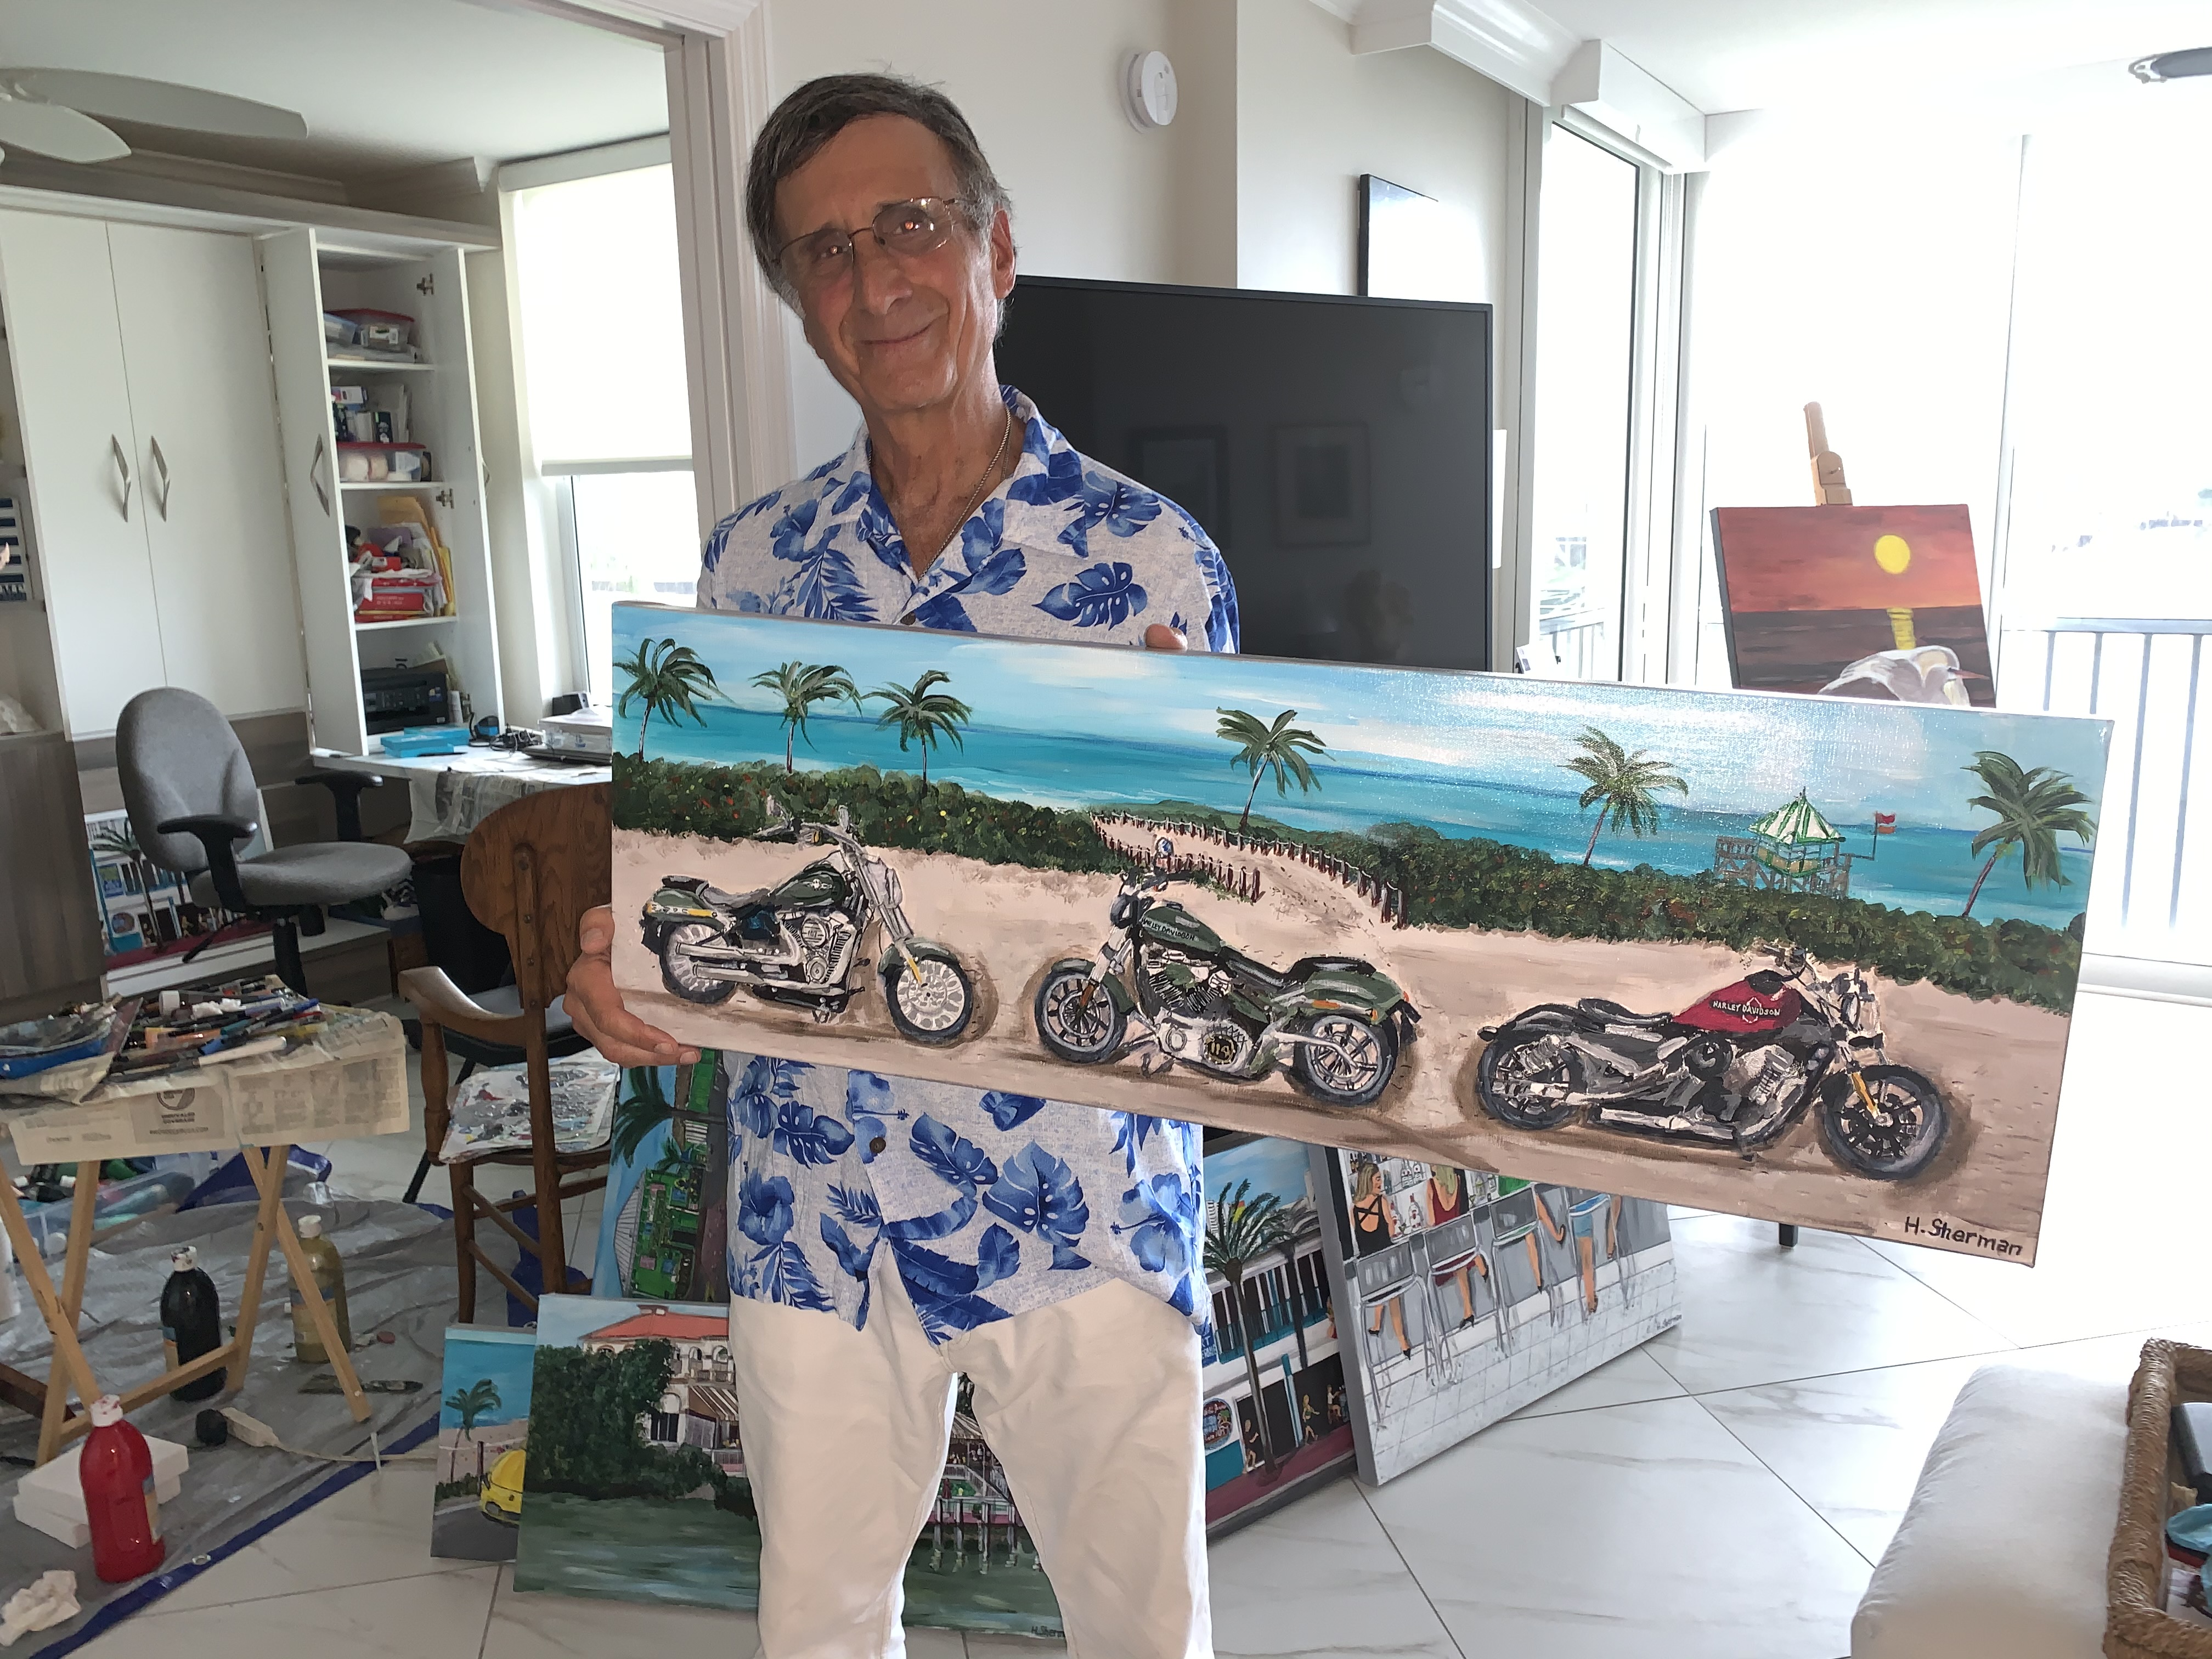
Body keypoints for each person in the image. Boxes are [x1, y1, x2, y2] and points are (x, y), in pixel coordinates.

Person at [564, 73, 1238, 1659]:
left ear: (995, 248)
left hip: (1077, 1203)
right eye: (826, 251)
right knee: (817, 1625)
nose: (874, 281)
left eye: (910, 226)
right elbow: (717, 856)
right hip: (812, 1202)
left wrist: (1198, 834)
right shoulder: (749, 568)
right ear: (800, 303)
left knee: (1143, 1632)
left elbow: (1215, 899)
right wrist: (629, 961)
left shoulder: (1153, 562)